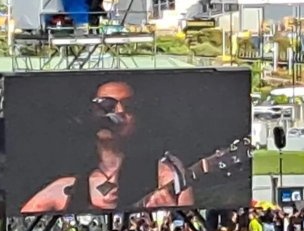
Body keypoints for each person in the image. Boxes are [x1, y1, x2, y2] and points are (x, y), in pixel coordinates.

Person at [20, 81, 194, 213]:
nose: (117, 112)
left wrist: (169, 214)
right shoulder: (68, 186)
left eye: (129, 106)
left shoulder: (165, 174)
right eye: (106, 106)